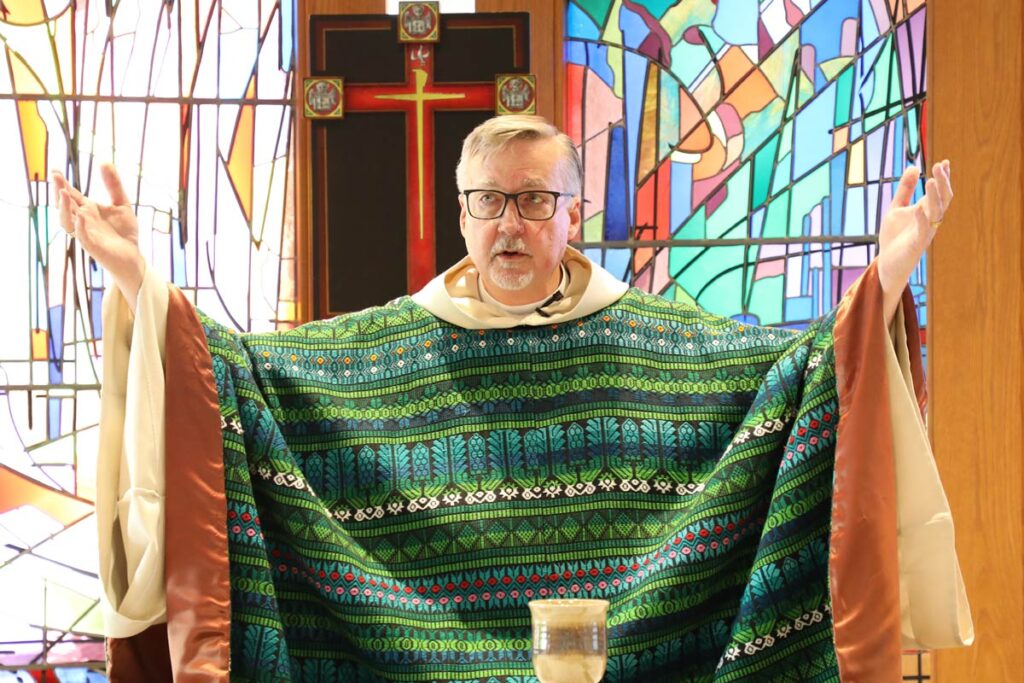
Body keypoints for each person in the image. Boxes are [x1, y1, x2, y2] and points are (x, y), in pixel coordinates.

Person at [53, 116, 972, 682]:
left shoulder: (665, 344)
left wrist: (884, 277)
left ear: (575, 213)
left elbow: (808, 371)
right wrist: (143, 281)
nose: (510, 224)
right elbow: (235, 378)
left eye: (536, 201)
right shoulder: (374, 351)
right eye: (489, 201)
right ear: (461, 212)